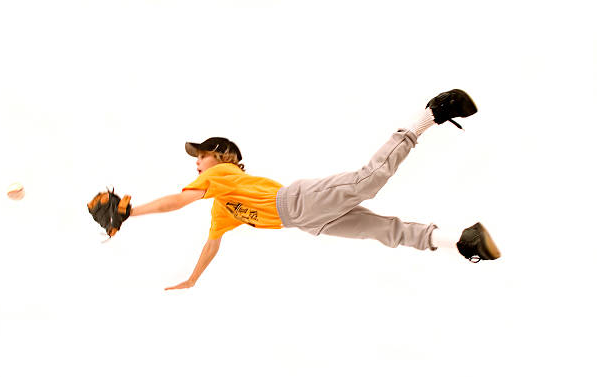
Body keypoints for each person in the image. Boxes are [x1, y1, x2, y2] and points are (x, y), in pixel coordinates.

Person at [129, 89, 501, 290]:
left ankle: (427, 116)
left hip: (299, 200)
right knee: (386, 231)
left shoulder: (219, 174)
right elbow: (211, 243)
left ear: (223, 157)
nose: (197, 163)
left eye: (202, 156)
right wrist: (193, 280)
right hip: (309, 223)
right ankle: (462, 241)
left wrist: (131, 212)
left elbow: (177, 201)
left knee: (369, 180)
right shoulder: (222, 206)